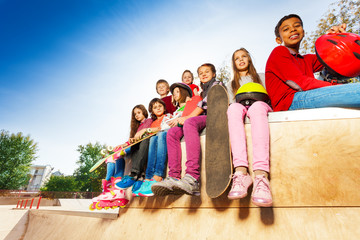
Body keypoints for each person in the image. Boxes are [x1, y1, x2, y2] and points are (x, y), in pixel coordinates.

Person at [152, 63, 222, 196]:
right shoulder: (201, 91)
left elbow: (204, 104)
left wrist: (187, 117)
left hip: (212, 116)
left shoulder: (216, 84)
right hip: (197, 118)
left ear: (214, 74)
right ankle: (174, 176)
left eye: (207, 71)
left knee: (189, 123)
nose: (204, 74)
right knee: (172, 133)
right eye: (201, 73)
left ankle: (192, 178)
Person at [265, 14, 360, 112]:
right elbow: (300, 83)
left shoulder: (306, 59)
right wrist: (339, 88)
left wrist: (334, 36)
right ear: (278, 40)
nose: (293, 29)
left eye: (297, 26)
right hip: (290, 101)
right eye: (286, 29)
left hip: (306, 95)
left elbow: (333, 57)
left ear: (303, 32)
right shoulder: (279, 52)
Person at [226, 48, 273, 207]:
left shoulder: (261, 77)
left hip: (260, 106)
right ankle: (241, 173)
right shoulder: (230, 84)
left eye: (244, 56)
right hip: (241, 109)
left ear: (249, 59)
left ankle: (261, 177)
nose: (241, 60)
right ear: (234, 63)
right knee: (232, 109)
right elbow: (232, 104)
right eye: (237, 58)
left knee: (258, 107)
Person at [134, 98, 172, 196]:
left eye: (160, 106)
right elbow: (153, 131)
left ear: (164, 107)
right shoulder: (153, 122)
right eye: (155, 107)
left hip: (165, 135)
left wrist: (147, 130)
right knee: (152, 139)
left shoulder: (168, 116)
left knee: (159, 135)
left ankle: (158, 176)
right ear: (152, 111)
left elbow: (163, 128)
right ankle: (148, 178)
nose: (158, 108)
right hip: (157, 138)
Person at [115, 105, 153, 190]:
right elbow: (133, 139)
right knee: (133, 145)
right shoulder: (137, 126)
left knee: (140, 142)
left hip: (147, 142)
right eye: (135, 114)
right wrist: (124, 145)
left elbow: (147, 131)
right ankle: (140, 177)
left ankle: (134, 174)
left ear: (144, 112)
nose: (137, 115)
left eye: (139, 113)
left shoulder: (148, 120)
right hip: (138, 144)